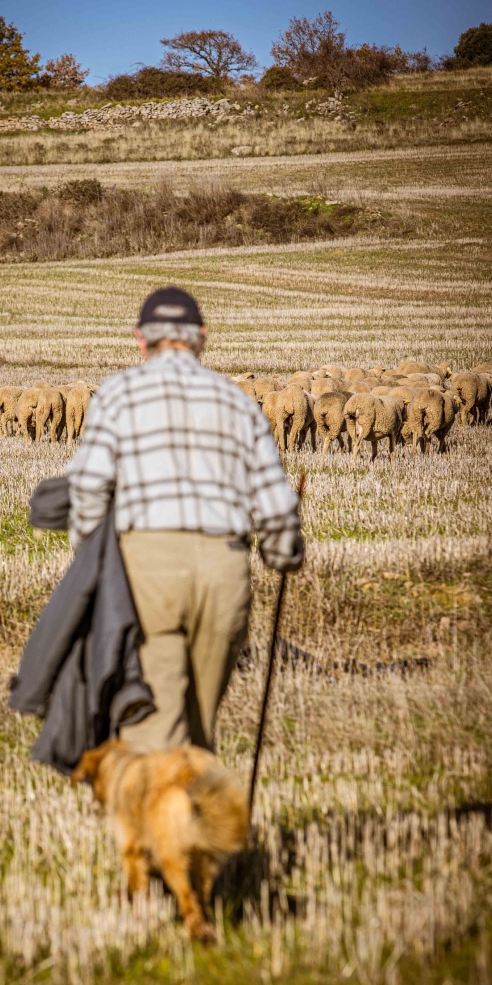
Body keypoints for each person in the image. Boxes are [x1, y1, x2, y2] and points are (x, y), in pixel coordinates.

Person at [66, 286, 303, 752]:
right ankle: (194, 809)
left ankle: (161, 818)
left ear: (140, 339)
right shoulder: (237, 401)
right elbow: (276, 505)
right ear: (202, 338)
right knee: (199, 728)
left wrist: (93, 561)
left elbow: (88, 490)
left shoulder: (116, 395)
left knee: (154, 724)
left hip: (147, 569)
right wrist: (281, 553)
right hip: (223, 570)